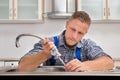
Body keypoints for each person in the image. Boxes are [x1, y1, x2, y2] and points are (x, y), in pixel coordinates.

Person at [17, 11, 114, 72]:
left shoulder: (87, 45)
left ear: (85, 33)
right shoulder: (48, 44)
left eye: (80, 33)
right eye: (73, 29)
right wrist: (44, 54)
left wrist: (84, 65)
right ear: (67, 24)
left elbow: (109, 62)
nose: (74, 36)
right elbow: (22, 67)